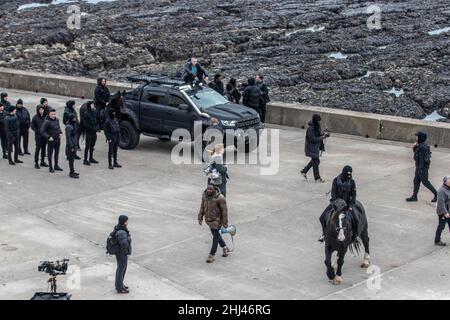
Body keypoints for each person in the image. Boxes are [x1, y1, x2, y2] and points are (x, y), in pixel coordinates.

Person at [318, 166, 357, 242]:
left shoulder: (352, 182)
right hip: (336, 204)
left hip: (347, 205)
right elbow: (333, 193)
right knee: (322, 217)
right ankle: (324, 234)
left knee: (356, 219)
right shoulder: (336, 180)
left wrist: (351, 205)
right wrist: (337, 203)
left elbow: (354, 195)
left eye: (350, 175)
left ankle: (356, 236)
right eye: (347, 175)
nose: (348, 177)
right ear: (343, 173)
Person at [198, 184, 230, 263]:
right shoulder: (204, 196)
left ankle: (211, 254)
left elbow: (224, 211)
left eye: (210, 189)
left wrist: (224, 223)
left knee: (215, 236)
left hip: (217, 220)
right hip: (208, 220)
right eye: (208, 189)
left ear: (214, 190)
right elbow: (202, 207)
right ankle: (225, 248)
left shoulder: (220, 198)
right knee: (217, 235)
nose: (209, 190)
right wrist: (200, 217)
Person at [406, 131, 437, 203]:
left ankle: (436, 194)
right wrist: (414, 146)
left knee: (425, 182)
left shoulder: (422, 147)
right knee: (416, 181)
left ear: (421, 137)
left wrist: (420, 169)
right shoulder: (420, 144)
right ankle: (414, 196)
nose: (416, 137)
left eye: (417, 136)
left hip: (422, 168)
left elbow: (422, 160)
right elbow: (416, 153)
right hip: (419, 167)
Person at [300, 114, 328, 183]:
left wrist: (324, 134)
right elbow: (313, 139)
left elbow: (318, 134)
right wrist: (323, 137)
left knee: (316, 161)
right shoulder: (311, 128)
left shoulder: (316, 126)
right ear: (315, 120)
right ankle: (317, 178)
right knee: (316, 161)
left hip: (315, 148)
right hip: (311, 148)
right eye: (318, 121)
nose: (319, 122)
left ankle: (304, 171)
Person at [40, 108, 63, 173]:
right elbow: (42, 131)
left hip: (57, 139)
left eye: (54, 114)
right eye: (52, 114)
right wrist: (48, 137)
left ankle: (56, 165)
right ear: (49, 114)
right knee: (50, 154)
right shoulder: (47, 121)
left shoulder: (57, 120)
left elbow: (58, 127)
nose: (53, 115)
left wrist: (60, 132)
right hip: (51, 140)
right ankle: (50, 166)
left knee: (57, 153)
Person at [114, 215, 132, 294]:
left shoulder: (120, 228)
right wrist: (125, 252)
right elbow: (124, 243)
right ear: (124, 222)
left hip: (120, 253)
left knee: (121, 269)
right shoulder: (122, 232)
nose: (127, 222)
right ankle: (120, 288)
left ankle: (120, 284)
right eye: (127, 221)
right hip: (122, 254)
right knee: (121, 270)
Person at [31, 105, 48, 169]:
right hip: (38, 136)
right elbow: (32, 126)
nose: (41, 111)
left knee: (44, 149)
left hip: (45, 136)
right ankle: (36, 162)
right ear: (38, 110)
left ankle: (42, 161)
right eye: (40, 110)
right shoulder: (35, 117)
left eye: (42, 110)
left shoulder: (46, 117)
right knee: (38, 149)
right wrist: (38, 131)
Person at [82, 101, 100, 166]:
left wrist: (97, 128)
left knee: (92, 146)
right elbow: (85, 124)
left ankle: (91, 158)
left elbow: (97, 121)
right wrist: (93, 128)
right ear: (89, 105)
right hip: (89, 132)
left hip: (94, 132)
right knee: (87, 146)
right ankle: (85, 159)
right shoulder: (86, 113)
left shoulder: (94, 112)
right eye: (92, 104)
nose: (93, 105)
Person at [435, 176, 450, 246]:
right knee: (441, 226)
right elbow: (441, 203)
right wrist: (445, 213)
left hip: (448, 211)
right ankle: (437, 240)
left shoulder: (448, 188)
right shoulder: (442, 191)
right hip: (443, 213)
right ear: (446, 182)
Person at [65, 114, 80, 179]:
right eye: (74, 119)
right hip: (71, 146)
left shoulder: (74, 124)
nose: (75, 119)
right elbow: (68, 138)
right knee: (71, 160)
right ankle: (71, 172)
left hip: (74, 144)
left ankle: (72, 171)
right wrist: (71, 147)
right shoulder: (68, 127)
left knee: (72, 159)